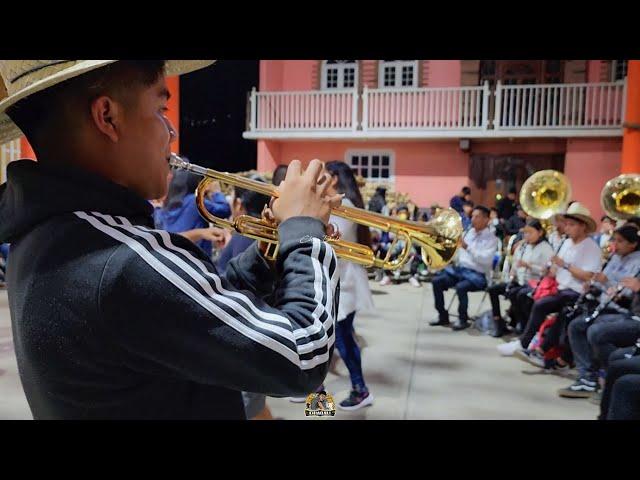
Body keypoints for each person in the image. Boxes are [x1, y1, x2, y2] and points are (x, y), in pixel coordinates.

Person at [0, 60, 343, 420]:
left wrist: (271, 253)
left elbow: (194, 313)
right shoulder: (124, 260)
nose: (171, 132)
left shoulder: (43, 236)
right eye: (161, 109)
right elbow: (305, 354)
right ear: (108, 117)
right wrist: (306, 232)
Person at [498, 202, 602, 358]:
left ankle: (532, 345)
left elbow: (589, 276)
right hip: (561, 288)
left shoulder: (591, 247)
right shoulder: (567, 243)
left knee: (549, 307)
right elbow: (558, 270)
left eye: (572, 225)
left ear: (583, 226)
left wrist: (564, 265)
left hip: (576, 292)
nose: (567, 228)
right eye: (566, 224)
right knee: (537, 303)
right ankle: (528, 341)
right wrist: (551, 270)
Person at [558, 225, 640, 399]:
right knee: (576, 325)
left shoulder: (638, 262)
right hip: (606, 306)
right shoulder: (614, 258)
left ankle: (611, 377)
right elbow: (607, 288)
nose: (615, 245)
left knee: (596, 331)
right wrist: (594, 284)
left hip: (625, 311)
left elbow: (625, 295)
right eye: (614, 240)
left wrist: (608, 282)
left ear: (633, 244)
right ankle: (587, 377)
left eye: (620, 241)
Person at [323, 161, 375, 410]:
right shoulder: (333, 204)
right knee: (334, 339)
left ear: (333, 178)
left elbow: (332, 242)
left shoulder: (346, 206)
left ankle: (361, 390)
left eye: (323, 173)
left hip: (345, 283)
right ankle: (316, 391)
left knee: (342, 340)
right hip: (338, 280)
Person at [430, 205, 498, 330]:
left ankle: (463, 318)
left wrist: (468, 248)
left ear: (486, 220)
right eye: (472, 216)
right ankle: (442, 315)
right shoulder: (468, 233)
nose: (473, 219)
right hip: (460, 271)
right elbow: (460, 254)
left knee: (461, 288)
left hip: (477, 275)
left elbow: (486, 260)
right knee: (436, 281)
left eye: (477, 217)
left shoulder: (492, 239)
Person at [487, 219, 553, 337]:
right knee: (493, 289)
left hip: (535, 283)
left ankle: (522, 323)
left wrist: (529, 266)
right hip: (519, 281)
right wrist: (512, 273)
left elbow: (547, 271)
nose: (527, 236)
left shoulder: (546, 248)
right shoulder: (523, 246)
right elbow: (515, 265)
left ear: (540, 232)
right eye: (525, 233)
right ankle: (498, 322)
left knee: (517, 294)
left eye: (530, 232)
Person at [154, 166, 231, 259]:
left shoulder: (165, 206)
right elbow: (224, 211)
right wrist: (216, 192)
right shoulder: (194, 201)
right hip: (196, 261)